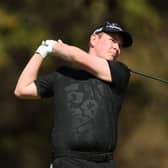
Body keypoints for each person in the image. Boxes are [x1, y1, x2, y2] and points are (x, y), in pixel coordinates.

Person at [14, 21, 133, 168]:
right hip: (67, 162)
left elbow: (79, 58)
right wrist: (41, 51)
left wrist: (56, 47)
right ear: (94, 39)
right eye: (113, 40)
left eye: (120, 45)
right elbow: (22, 89)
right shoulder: (62, 75)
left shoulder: (119, 72)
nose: (116, 47)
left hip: (103, 163)